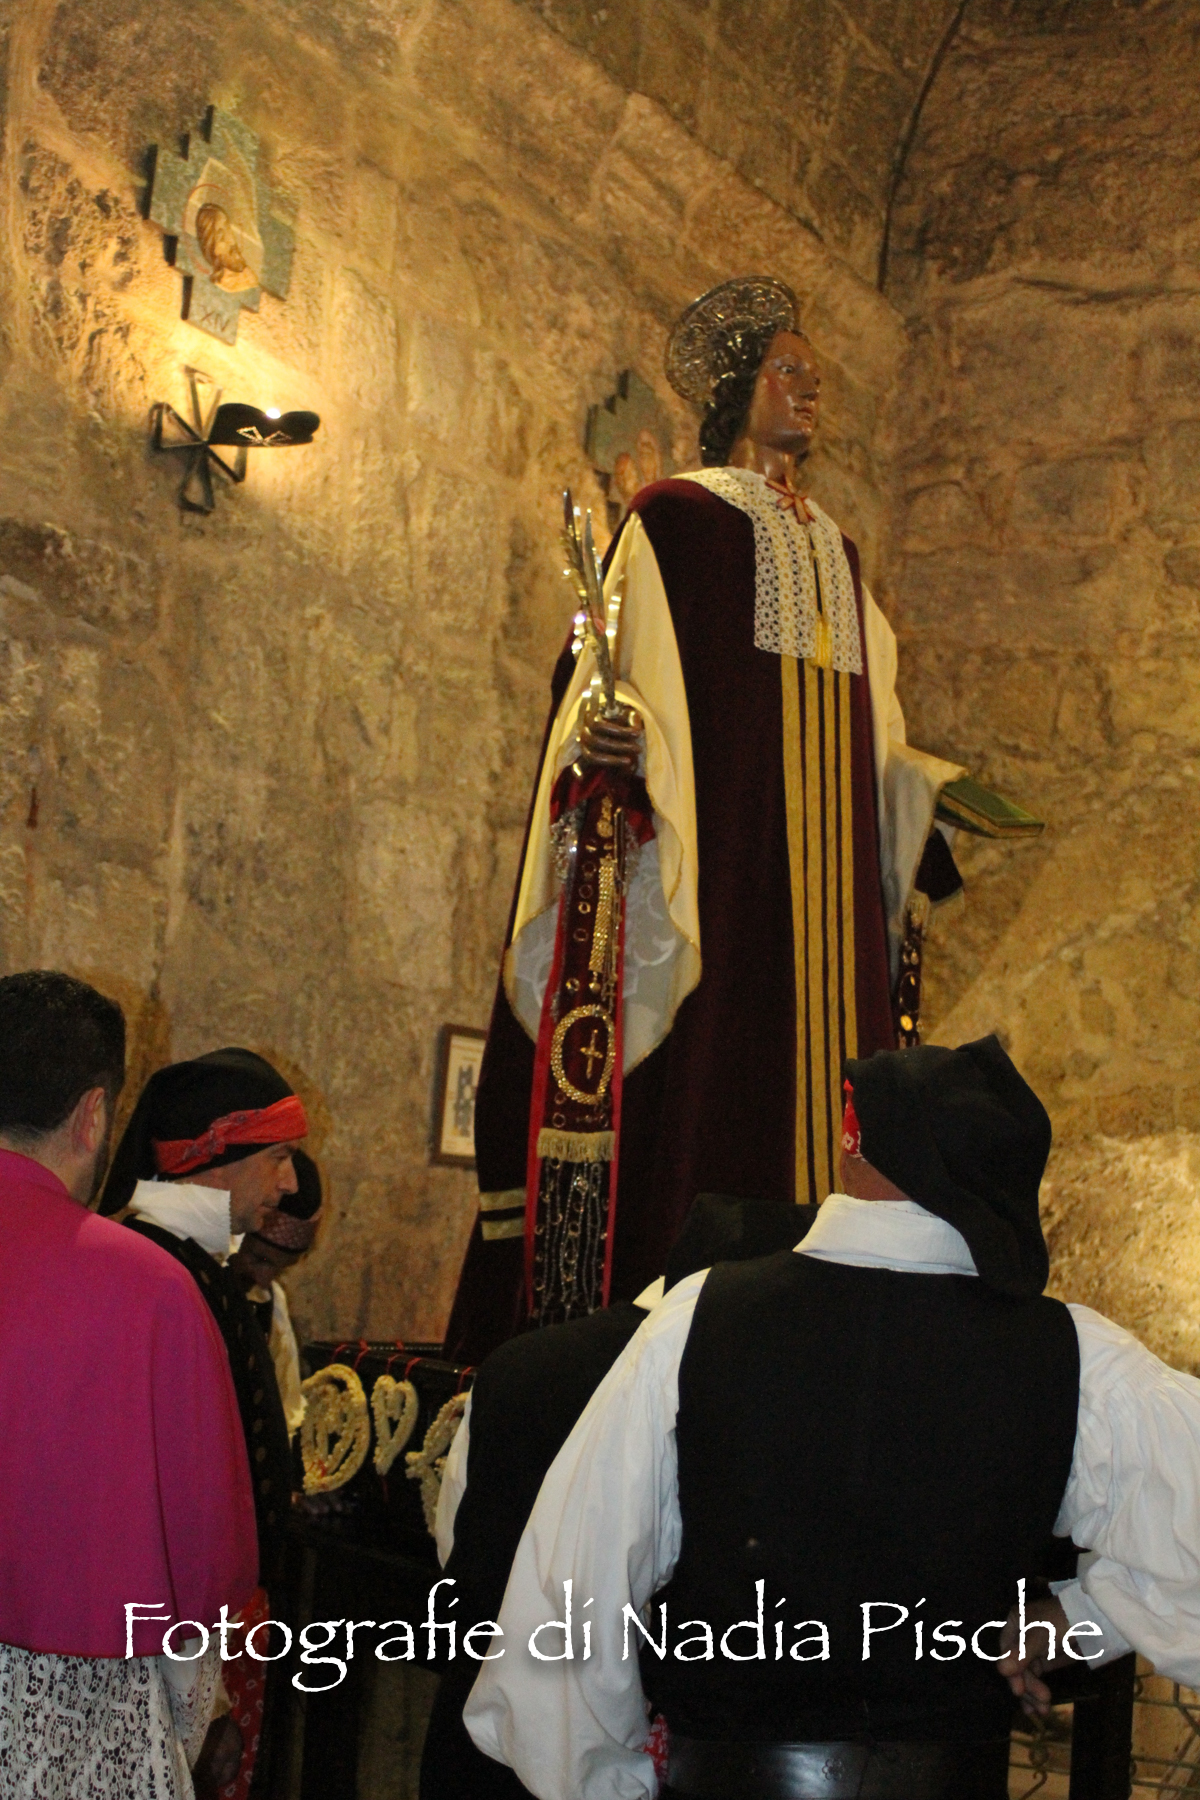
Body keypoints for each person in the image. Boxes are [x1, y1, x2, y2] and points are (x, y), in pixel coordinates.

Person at [446, 275, 965, 1363]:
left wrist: (922, 800)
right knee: (710, 1099)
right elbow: (609, 672)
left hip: (829, 923)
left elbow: (874, 732)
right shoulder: (675, 520)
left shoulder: (840, 552)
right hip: (725, 883)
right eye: (788, 370)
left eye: (816, 376)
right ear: (739, 388)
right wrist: (616, 735)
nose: (810, 390)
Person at [465, 1036, 1200, 1800]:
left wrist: (609, 1785)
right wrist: (1081, 1616)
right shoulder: (1076, 1357)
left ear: (853, 1146)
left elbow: (573, 1593)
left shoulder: (698, 1320)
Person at [424, 1196, 819, 1800]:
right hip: (614, 1748)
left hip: (474, 1729)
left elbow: (454, 1531)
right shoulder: (730, 1385)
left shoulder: (517, 1363)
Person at [0, 971, 257, 1800]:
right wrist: (195, 1720)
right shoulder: (150, 1288)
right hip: (74, 1719)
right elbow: (203, 1563)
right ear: (93, 1114)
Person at [101, 1047, 309, 1800]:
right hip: (157, 1655)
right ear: (217, 1159)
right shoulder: (155, 1276)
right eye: (279, 1157)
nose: (290, 1183)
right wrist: (202, 1698)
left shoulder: (191, 1268)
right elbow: (149, 1511)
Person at [228, 1146, 324, 1443]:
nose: (264, 1279)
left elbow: (286, 1413)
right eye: (259, 1259)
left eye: (279, 1269)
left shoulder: (271, 1302)